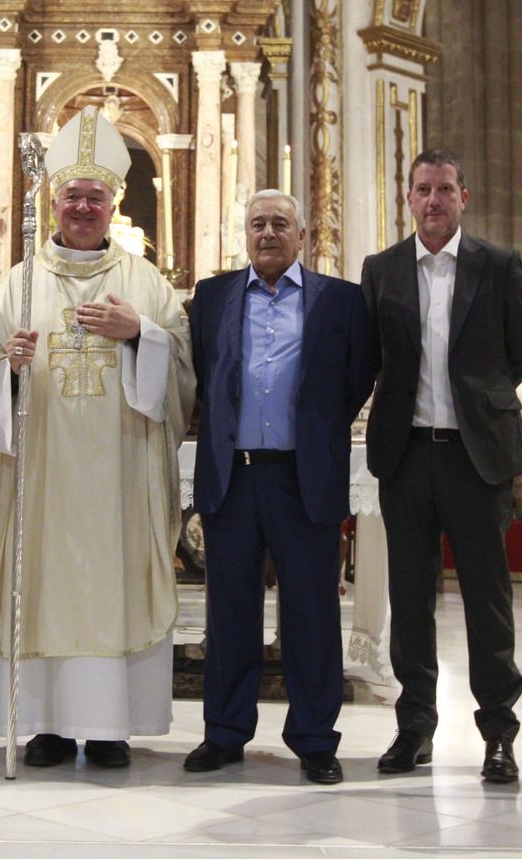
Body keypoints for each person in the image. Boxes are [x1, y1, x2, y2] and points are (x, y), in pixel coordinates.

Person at [0, 104, 194, 769]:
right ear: (53, 200)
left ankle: (110, 723)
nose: (83, 206)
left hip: (121, 476)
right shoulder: (18, 285)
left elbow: (181, 371)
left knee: (111, 585)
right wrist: (6, 370)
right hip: (46, 481)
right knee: (46, 586)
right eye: (72, 195)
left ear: (115, 201)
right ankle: (50, 725)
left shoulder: (146, 284)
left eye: (95, 196)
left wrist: (140, 335)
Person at [184, 190, 376, 785]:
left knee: (312, 614)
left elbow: (355, 379)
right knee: (230, 612)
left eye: (280, 224)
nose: (268, 232)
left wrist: (313, 434)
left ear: (301, 234)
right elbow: (199, 376)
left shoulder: (341, 301)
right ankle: (224, 733)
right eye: (257, 223)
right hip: (233, 475)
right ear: (245, 234)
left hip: (303, 477)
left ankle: (316, 738)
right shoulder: (212, 298)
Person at [362, 147, 522, 784]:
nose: (434, 200)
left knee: (488, 600)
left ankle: (498, 735)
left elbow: (519, 355)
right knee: (410, 600)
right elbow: (373, 357)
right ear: (409, 198)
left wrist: (478, 405)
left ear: (464, 197)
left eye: (446, 189)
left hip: (475, 456)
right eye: (423, 189)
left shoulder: (498, 265)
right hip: (406, 458)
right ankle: (415, 729)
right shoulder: (382, 270)